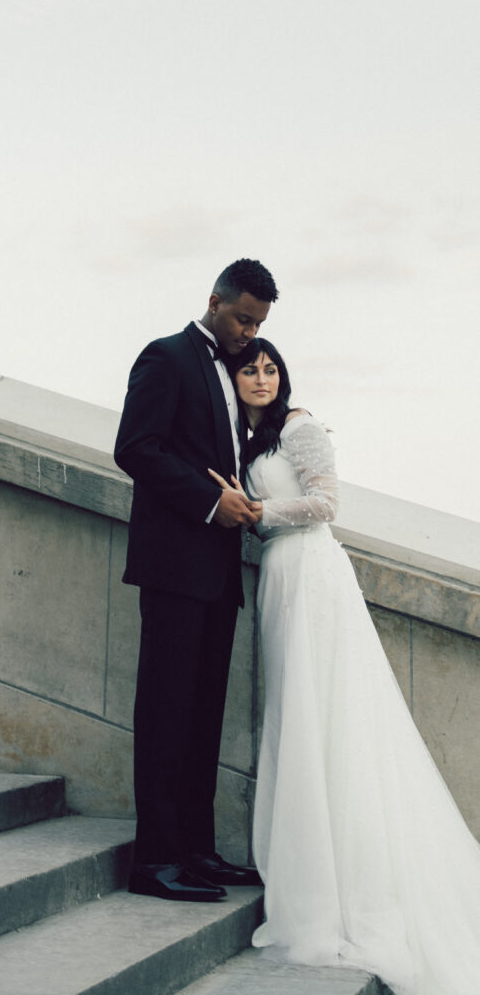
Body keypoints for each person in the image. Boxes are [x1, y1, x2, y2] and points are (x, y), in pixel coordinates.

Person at [208, 337, 480, 994]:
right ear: (232, 376)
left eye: (271, 368)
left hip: (312, 569)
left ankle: (347, 883)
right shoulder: (240, 444)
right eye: (251, 368)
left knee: (327, 710)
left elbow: (327, 504)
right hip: (277, 576)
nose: (263, 377)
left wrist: (257, 511)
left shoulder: (298, 428)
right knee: (296, 712)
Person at [114, 258, 278, 901]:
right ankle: (154, 860)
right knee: (164, 714)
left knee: (204, 716)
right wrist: (212, 504)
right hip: (174, 568)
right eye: (242, 318)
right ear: (213, 301)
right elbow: (135, 448)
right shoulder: (166, 357)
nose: (248, 333)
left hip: (216, 575)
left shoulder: (232, 374)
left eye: (259, 323)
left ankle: (197, 850)